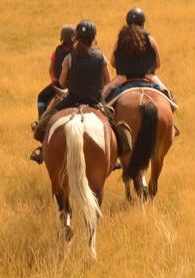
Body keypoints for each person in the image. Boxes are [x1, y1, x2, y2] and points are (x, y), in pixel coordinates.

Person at [31, 19, 110, 163]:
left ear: (77, 37)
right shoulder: (101, 56)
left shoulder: (69, 57)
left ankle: (40, 139)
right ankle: (118, 154)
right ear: (94, 38)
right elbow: (108, 80)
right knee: (113, 123)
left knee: (47, 117)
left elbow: (61, 81)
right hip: (96, 100)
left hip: (73, 99)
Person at [103, 8, 177, 107]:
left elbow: (112, 62)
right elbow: (158, 64)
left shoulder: (120, 39)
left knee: (102, 100)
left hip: (123, 78)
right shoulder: (151, 39)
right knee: (169, 99)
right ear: (143, 23)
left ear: (128, 22)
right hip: (148, 76)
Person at [36, 23, 75, 119]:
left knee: (41, 97)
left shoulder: (56, 51)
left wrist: (54, 80)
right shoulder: (76, 52)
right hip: (72, 85)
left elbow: (51, 69)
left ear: (62, 38)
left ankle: (40, 119)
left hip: (57, 84)